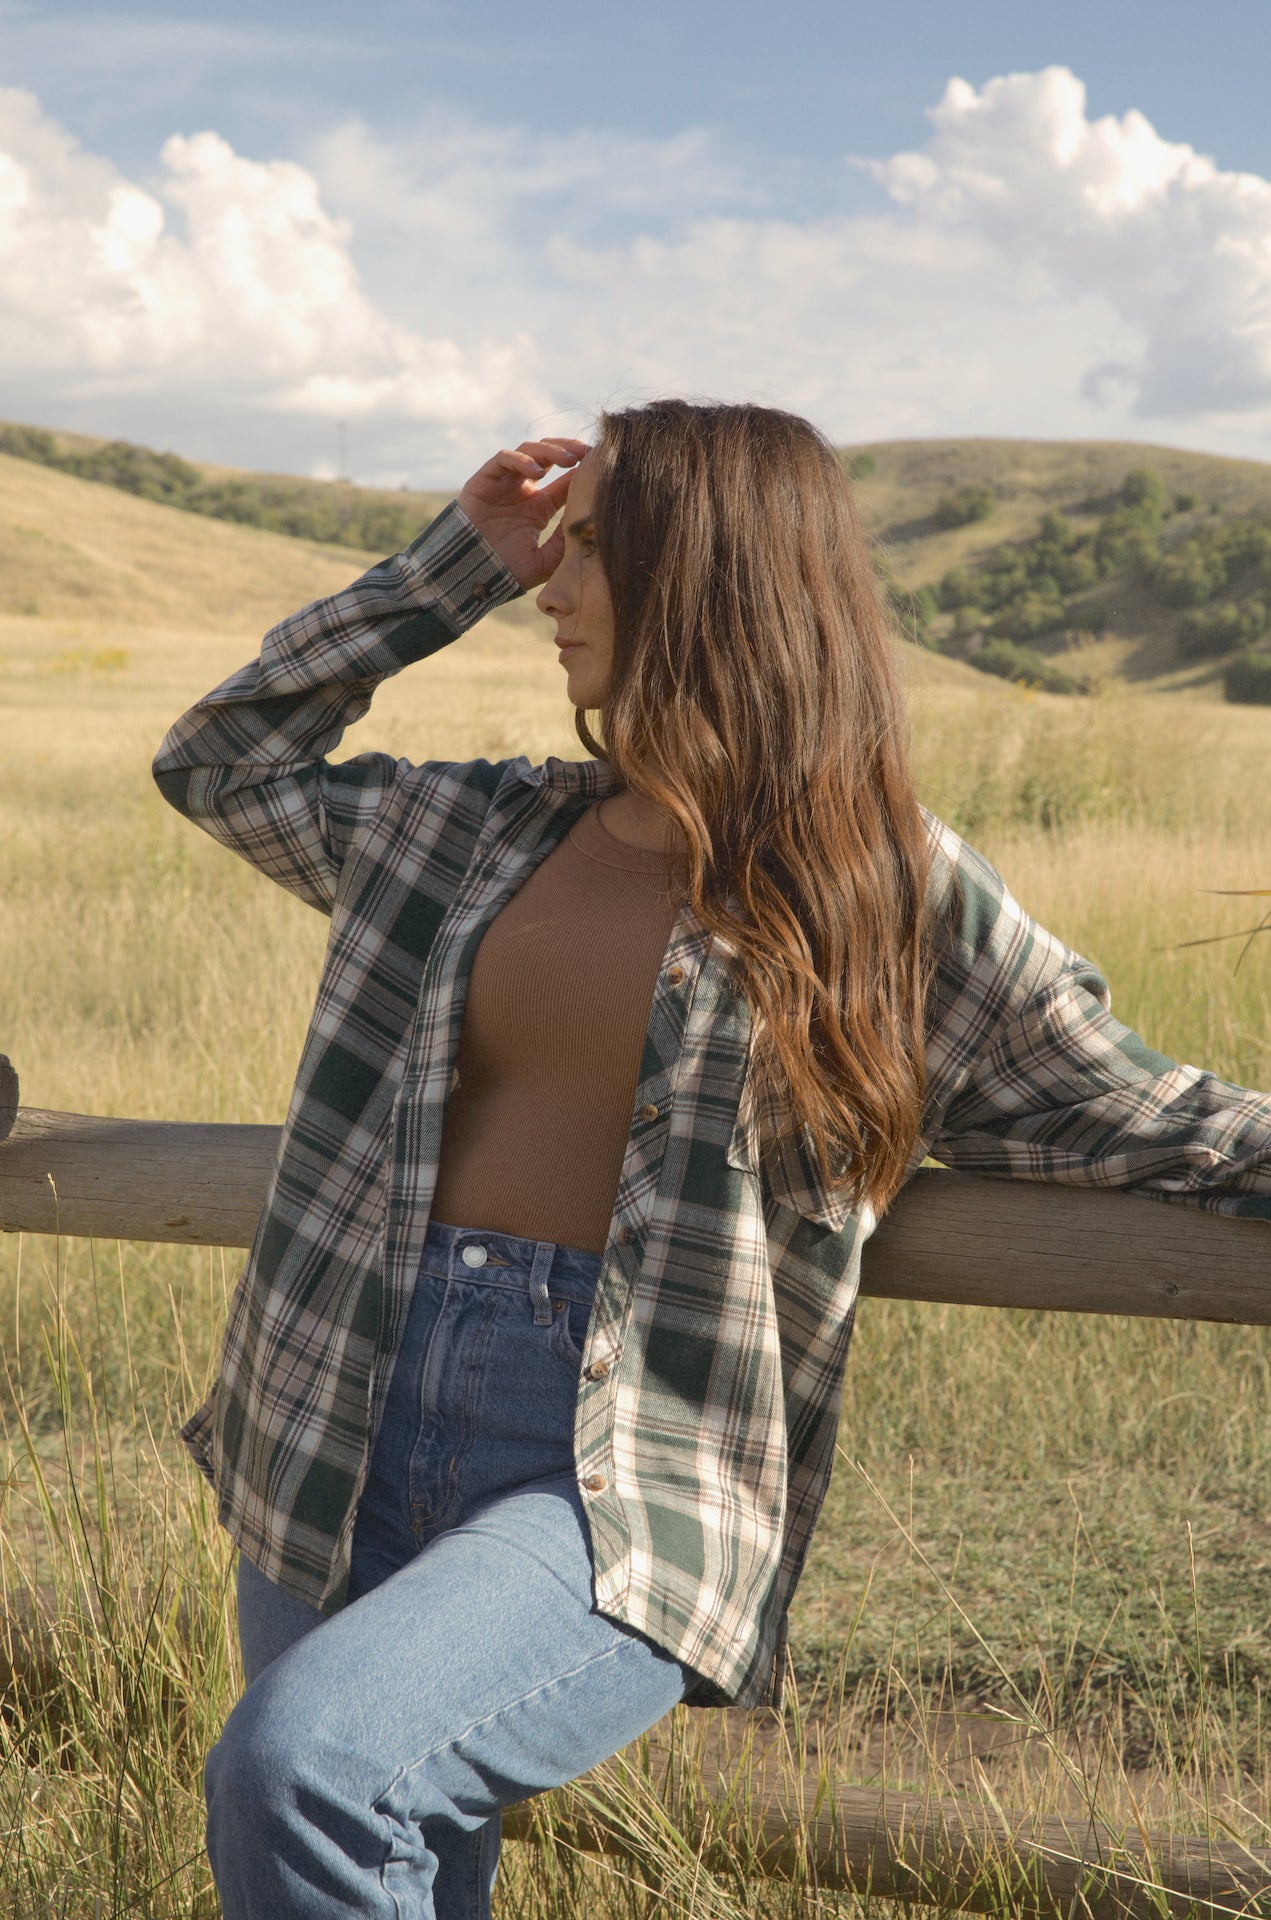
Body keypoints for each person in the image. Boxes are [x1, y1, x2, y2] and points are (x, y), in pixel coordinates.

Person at [153, 400, 1271, 1920]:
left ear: (713, 580)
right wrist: (447, 568)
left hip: (616, 1477)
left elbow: (1149, 1111)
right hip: (331, 1417)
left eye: (593, 550)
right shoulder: (469, 829)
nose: (551, 587)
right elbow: (220, 761)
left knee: (309, 1770)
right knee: (388, 1850)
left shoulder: (883, 894)